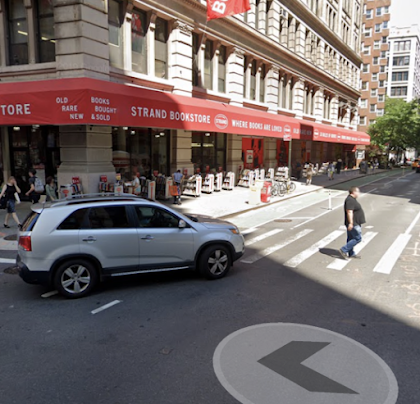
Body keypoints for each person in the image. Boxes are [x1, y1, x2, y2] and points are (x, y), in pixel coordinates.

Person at [339, 187, 366, 260]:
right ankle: (344, 249)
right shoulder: (350, 200)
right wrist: (351, 223)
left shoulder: (352, 200)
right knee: (358, 238)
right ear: (353, 192)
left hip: (354, 222)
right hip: (354, 223)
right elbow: (349, 212)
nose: (359, 193)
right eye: (358, 192)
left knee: (350, 238)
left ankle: (351, 253)